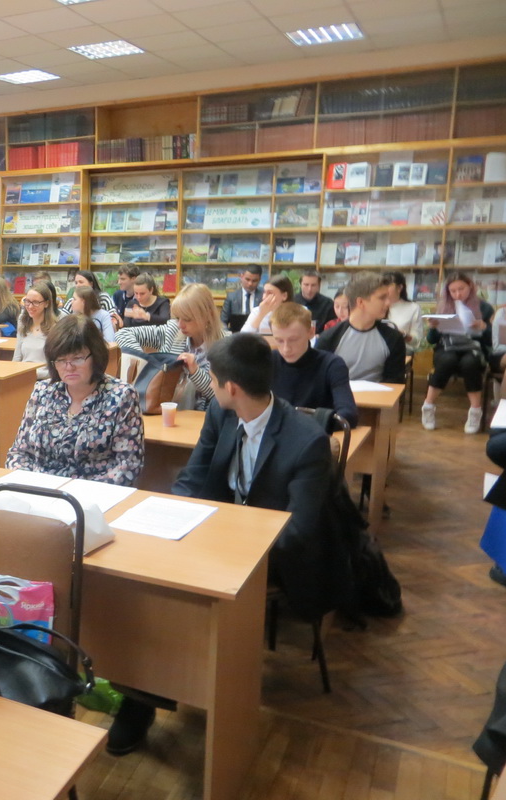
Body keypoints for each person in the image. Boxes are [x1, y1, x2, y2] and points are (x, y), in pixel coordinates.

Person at [107, 334, 333, 756]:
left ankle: (168, 692)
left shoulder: (307, 440)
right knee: (148, 578)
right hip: (214, 538)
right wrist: (173, 515)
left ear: (231, 387)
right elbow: (194, 477)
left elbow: (299, 531)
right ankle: (142, 694)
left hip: (272, 555)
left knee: (185, 597)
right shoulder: (221, 411)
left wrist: (230, 546)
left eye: (211, 378)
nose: (209, 384)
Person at [6, 315, 143, 485]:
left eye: (77, 358)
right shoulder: (42, 391)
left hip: (91, 494)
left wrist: (73, 492)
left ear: (96, 356)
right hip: (39, 490)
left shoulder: (121, 396)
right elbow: (19, 453)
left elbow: (128, 466)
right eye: (61, 360)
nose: (68, 367)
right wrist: (29, 485)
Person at [114, 283, 227, 411]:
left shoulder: (223, 345)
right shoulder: (173, 331)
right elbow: (123, 333)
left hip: (201, 415)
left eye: (187, 319)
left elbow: (218, 395)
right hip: (165, 410)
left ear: (207, 316)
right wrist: (145, 360)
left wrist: (195, 371)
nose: (180, 325)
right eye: (178, 318)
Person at [269, 302, 357, 428]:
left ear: (311, 332)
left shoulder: (332, 365)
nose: (286, 349)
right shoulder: (267, 361)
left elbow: (348, 415)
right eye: (279, 341)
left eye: (293, 340)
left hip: (314, 436)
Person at [421, 272, 489, 433]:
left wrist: (484, 328)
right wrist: (433, 328)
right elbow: (431, 340)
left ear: (470, 286)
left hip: (473, 348)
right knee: (448, 360)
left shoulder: (484, 307)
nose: (458, 294)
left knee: (469, 363)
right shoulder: (443, 307)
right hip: (447, 347)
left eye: (461, 289)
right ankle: (428, 406)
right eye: (453, 291)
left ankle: (475, 411)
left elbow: (491, 340)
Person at [316, 272, 405, 384]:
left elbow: (394, 383)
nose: (388, 303)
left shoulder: (393, 338)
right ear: (361, 302)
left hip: (379, 394)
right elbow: (319, 381)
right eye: (382, 298)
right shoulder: (329, 338)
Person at [13, 281, 57, 379]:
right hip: (22, 376)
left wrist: (33, 375)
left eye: (36, 302)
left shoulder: (55, 328)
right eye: (27, 301)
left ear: (46, 304)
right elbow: (17, 356)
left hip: (44, 379)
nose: (30, 306)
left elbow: (56, 368)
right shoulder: (22, 321)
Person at [383, 271, 423, 352]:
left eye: (387, 285)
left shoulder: (413, 308)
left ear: (399, 288)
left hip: (401, 350)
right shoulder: (375, 305)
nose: (383, 288)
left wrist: (403, 335)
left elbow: (416, 341)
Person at [220, 264, 263, 333]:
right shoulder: (231, 297)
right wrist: (227, 335)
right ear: (241, 276)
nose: (250, 284)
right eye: (247, 279)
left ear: (260, 279)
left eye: (254, 281)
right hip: (235, 335)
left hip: (258, 335)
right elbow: (222, 322)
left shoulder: (264, 296)